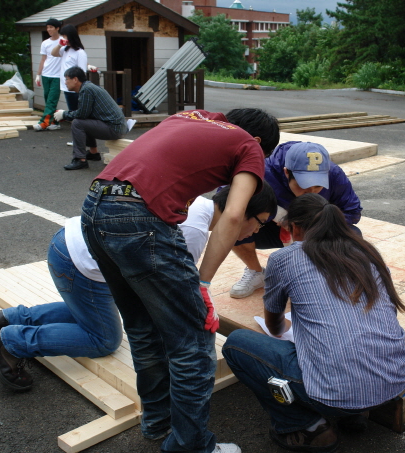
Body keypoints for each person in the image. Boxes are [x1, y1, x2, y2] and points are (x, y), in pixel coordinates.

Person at [80, 108, 280, 453]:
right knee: (195, 342)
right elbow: (234, 214)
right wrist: (202, 284)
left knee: (143, 330)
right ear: (258, 142)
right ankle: (192, 447)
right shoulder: (247, 144)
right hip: (139, 217)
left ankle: (158, 423)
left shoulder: (187, 117)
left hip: (95, 206)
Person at [0, 183, 277, 392]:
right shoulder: (194, 231)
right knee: (103, 339)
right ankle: (9, 342)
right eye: (260, 222)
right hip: (80, 263)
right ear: (240, 210)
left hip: (70, 243)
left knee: (95, 311)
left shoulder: (196, 204)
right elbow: (170, 293)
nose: (257, 231)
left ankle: (10, 318)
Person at [222, 193, 405, 453]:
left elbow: (275, 327)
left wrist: (297, 333)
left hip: (333, 395)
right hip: (395, 381)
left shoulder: (285, 258)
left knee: (237, 344)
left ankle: (307, 427)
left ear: (295, 228)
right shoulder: (367, 251)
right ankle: (353, 414)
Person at [229, 140, 363, 299]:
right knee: (232, 226)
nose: (311, 192)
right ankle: (255, 271)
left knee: (352, 235)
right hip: (273, 228)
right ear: (287, 173)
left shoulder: (333, 173)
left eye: (318, 186)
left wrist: (317, 221)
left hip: (314, 228)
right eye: (304, 185)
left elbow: (353, 211)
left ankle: (330, 277)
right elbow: (226, 199)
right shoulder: (263, 169)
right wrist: (277, 214)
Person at [54, 66, 128, 170]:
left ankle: (80, 160)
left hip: (114, 128)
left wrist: (64, 114)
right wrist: (66, 114)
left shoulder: (86, 90)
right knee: (84, 121)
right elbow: (85, 114)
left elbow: (82, 114)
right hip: (117, 126)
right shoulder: (88, 87)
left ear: (75, 79)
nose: (65, 83)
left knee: (77, 123)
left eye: (66, 79)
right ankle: (94, 153)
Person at [33, 18, 63, 131]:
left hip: (57, 76)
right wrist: (38, 75)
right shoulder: (45, 43)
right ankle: (54, 122)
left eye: (51, 27)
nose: (49, 29)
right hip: (46, 74)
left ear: (57, 28)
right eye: (47, 27)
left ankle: (43, 123)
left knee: (51, 100)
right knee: (48, 99)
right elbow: (43, 59)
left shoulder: (63, 41)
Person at [51, 24, 87, 112]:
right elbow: (53, 53)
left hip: (75, 88)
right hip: (66, 86)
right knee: (71, 110)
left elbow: (82, 72)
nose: (63, 38)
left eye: (64, 36)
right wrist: (59, 45)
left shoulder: (80, 52)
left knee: (75, 110)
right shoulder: (65, 49)